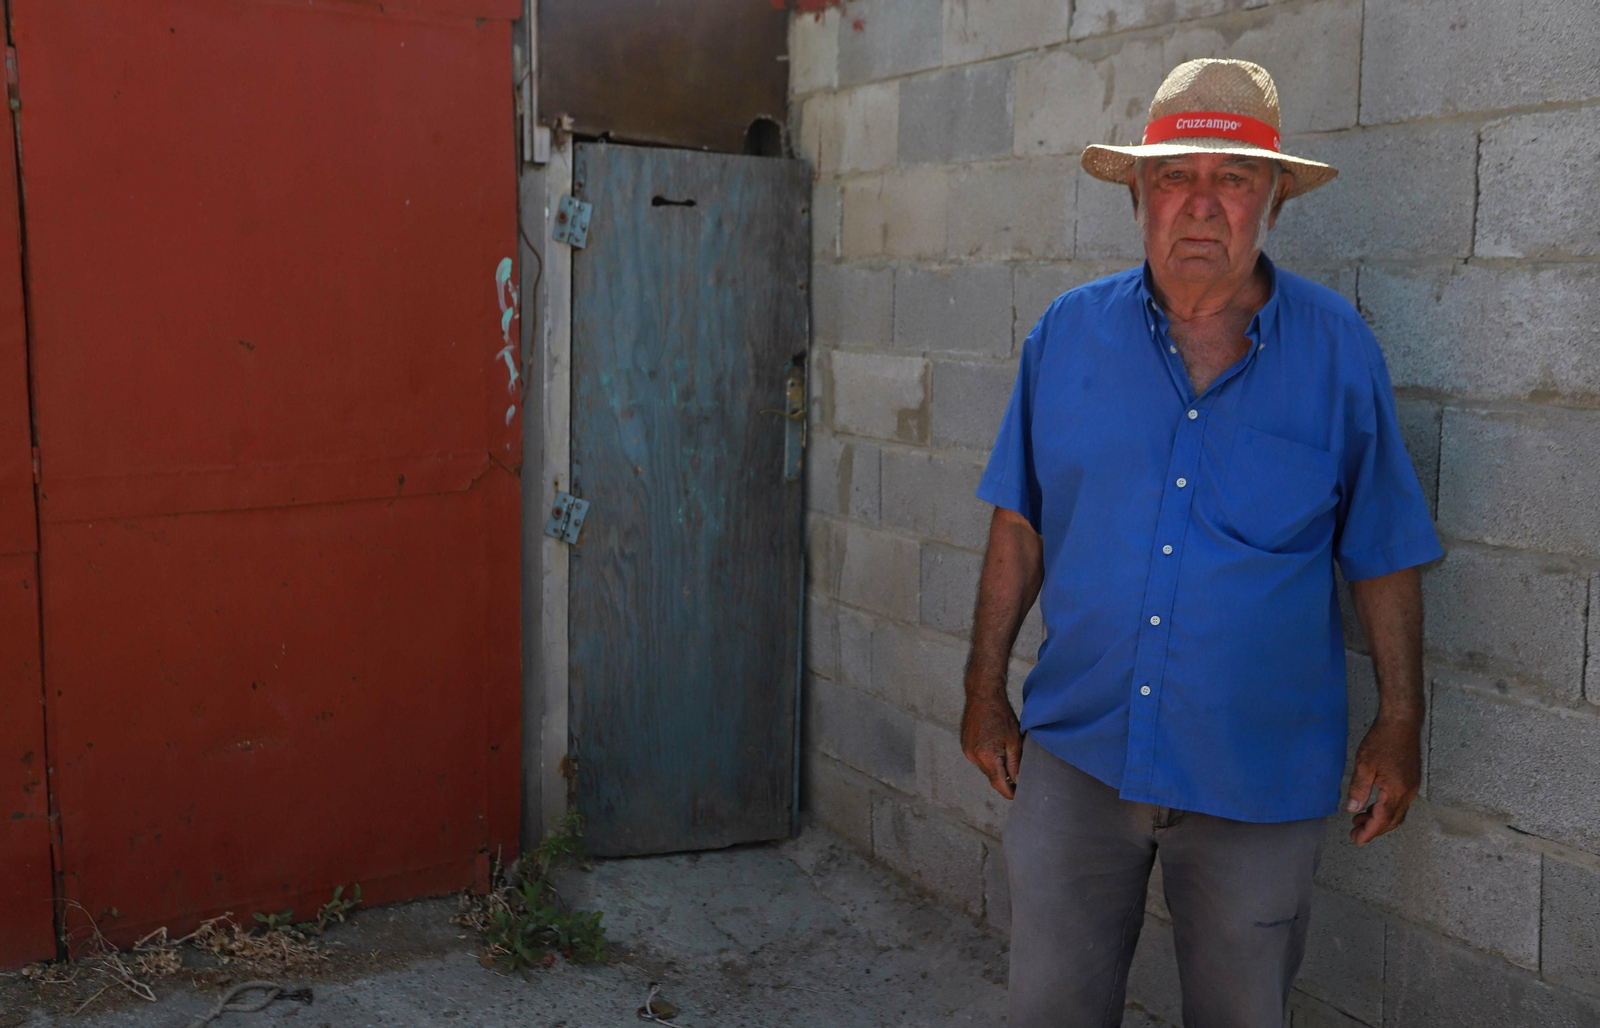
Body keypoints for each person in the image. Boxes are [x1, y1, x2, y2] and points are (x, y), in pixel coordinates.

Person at [961, 58, 1440, 1028]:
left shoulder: (1338, 350)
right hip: (1078, 758)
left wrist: (1399, 718)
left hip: (1254, 776)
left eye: (1232, 179)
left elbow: (1381, 548)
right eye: (1175, 177)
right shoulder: (1064, 335)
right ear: (1137, 193)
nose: (1200, 205)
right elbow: (1018, 521)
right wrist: (982, 691)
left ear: (1273, 202)